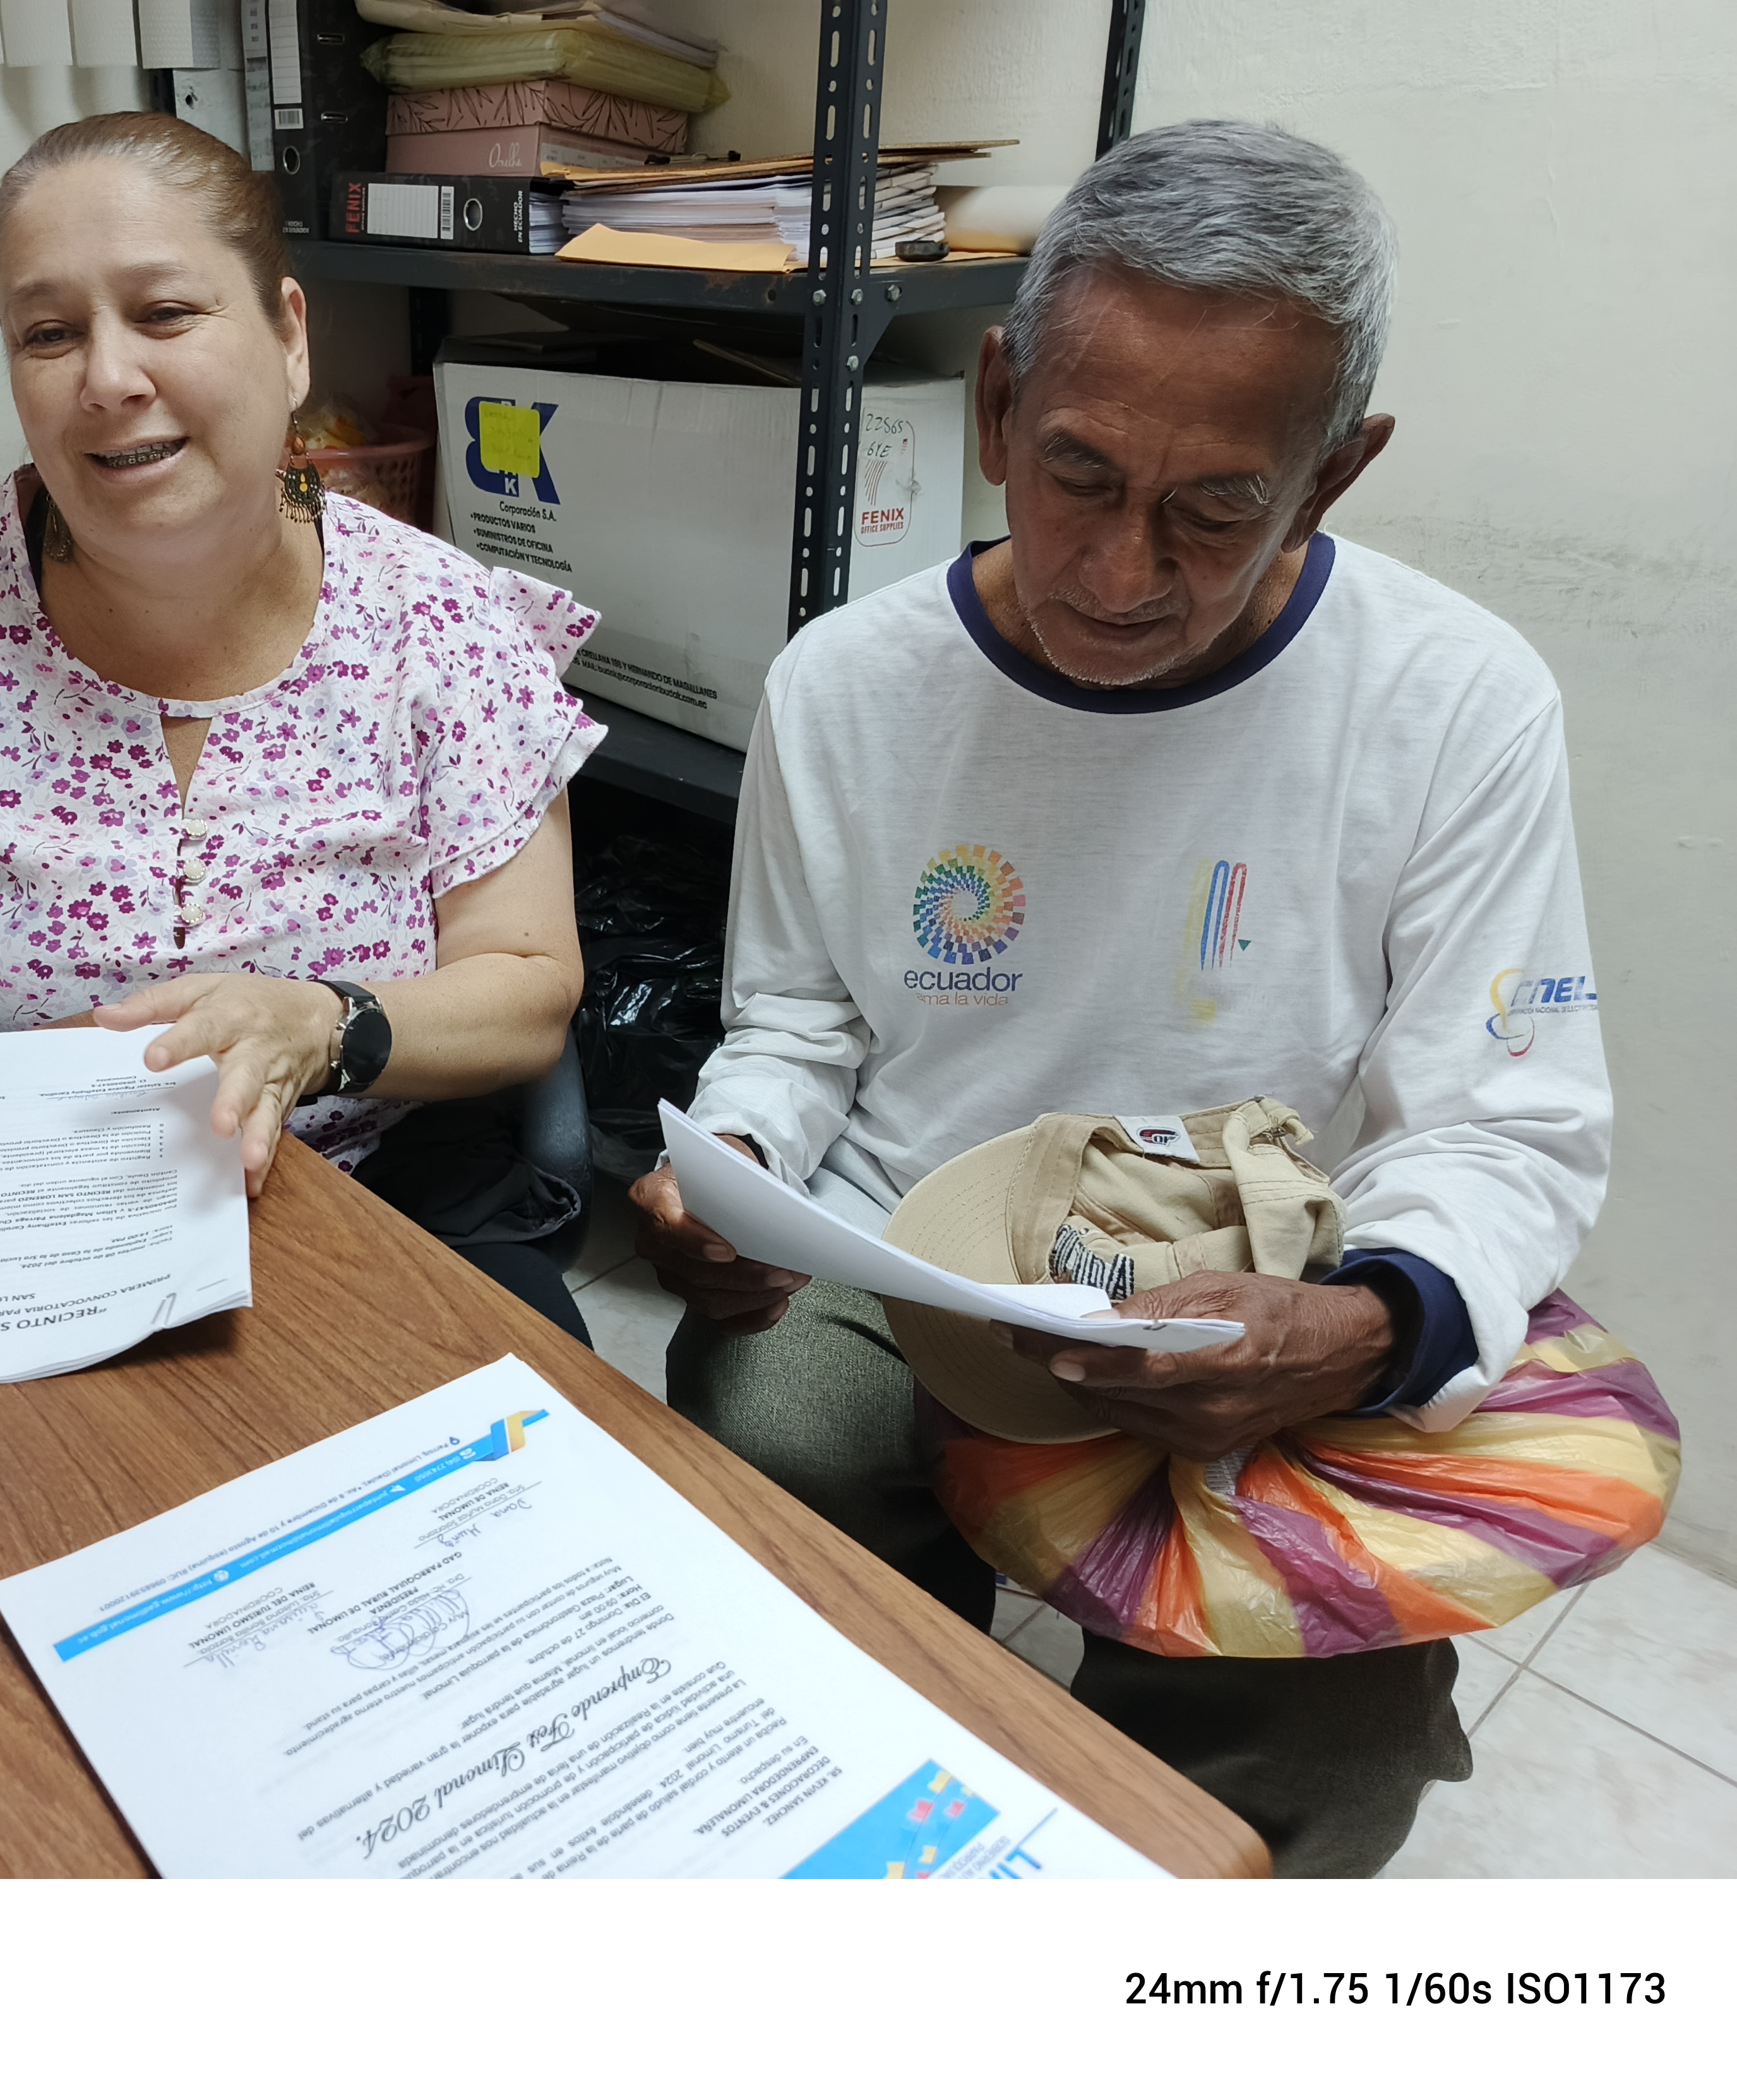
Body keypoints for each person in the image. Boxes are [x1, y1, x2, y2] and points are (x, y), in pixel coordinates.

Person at [631, 121, 1609, 1875]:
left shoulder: (1455, 702)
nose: (1119, 571)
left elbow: (1506, 1117)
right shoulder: (845, 685)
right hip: (910, 1249)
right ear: (996, 403)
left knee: (1327, 1743)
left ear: (1333, 474)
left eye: (1215, 507)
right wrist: (741, 1166)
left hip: (1252, 1280)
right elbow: (797, 1020)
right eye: (1076, 472)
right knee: (768, 1453)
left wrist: (1361, 1324)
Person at [0, 114, 604, 1338]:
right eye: (49, 333)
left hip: (366, 1198)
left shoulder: (443, 624)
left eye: (164, 313)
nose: (108, 379)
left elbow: (528, 983)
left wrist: (327, 1023)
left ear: (287, 335)